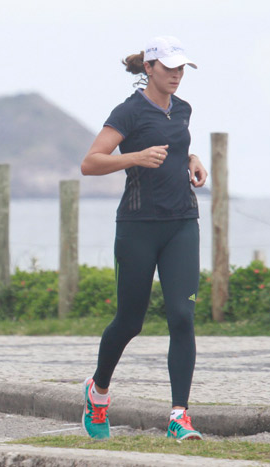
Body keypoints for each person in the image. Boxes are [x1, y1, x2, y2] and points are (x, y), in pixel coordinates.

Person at [80, 36, 207, 441]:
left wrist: (191, 159)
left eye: (180, 68)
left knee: (182, 316)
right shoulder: (129, 111)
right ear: (148, 68)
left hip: (182, 222)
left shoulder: (182, 109)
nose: (175, 74)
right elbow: (90, 162)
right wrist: (134, 157)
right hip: (137, 226)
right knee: (129, 322)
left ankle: (179, 415)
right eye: (168, 67)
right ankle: (97, 393)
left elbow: (175, 146)